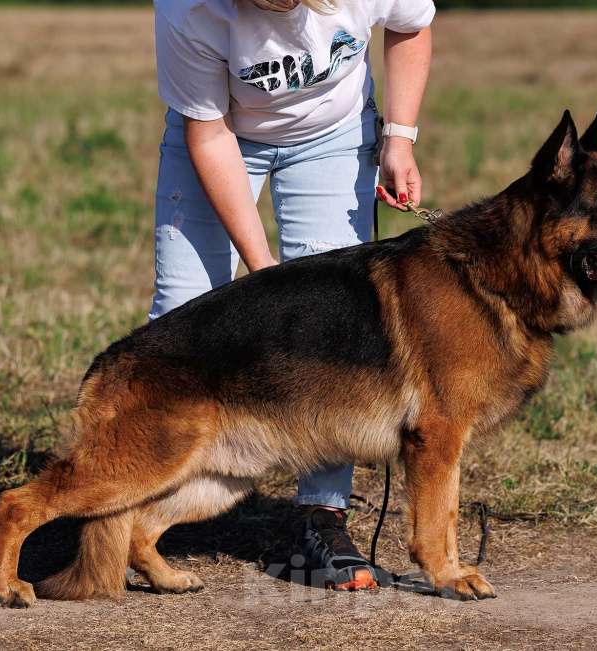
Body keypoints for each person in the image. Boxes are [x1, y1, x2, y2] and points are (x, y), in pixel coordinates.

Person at [149, 0, 433, 590]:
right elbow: (209, 133)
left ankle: (319, 518)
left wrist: (399, 138)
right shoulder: (191, 9)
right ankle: (133, 504)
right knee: (179, 320)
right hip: (222, 135)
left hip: (334, 135)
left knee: (336, 336)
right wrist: (263, 271)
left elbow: (412, 25)